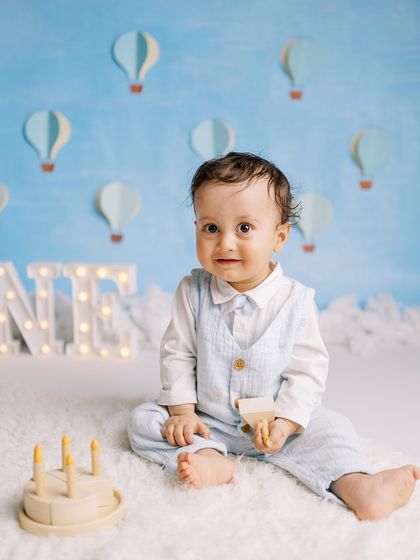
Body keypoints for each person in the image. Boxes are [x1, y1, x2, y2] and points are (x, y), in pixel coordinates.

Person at [128, 152, 420, 520]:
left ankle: (359, 485)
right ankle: (208, 456)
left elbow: (307, 371)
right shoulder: (192, 291)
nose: (226, 243)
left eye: (244, 228)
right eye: (211, 228)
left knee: (334, 428)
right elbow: (177, 353)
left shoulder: (297, 302)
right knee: (143, 422)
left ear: (279, 236)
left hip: (275, 427)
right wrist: (184, 411)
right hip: (207, 420)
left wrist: (286, 423)